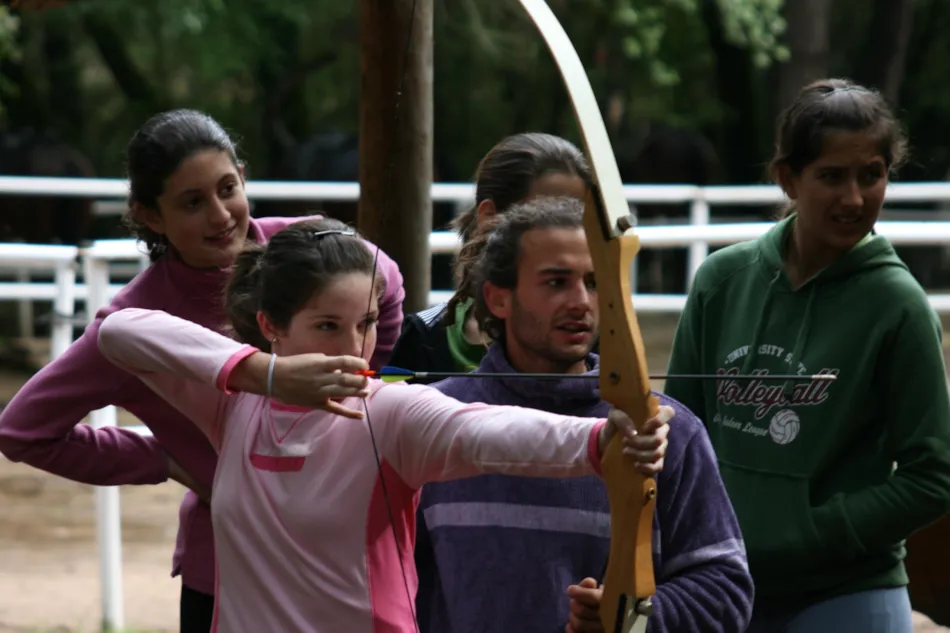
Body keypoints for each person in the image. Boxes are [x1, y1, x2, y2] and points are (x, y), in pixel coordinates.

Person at [94, 217, 675, 633]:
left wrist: (602, 440)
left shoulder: (390, 412)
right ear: (270, 324)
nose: (356, 349)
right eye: (328, 326)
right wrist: (266, 376)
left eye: (367, 323)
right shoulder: (232, 401)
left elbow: (485, 431)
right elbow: (119, 331)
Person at [0, 109, 406, 632]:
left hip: (348, 549)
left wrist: (360, 379)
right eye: (193, 203)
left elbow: (387, 281)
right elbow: (21, 431)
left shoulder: (305, 250)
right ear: (150, 216)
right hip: (229, 567)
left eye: (227, 188)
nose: (220, 216)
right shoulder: (131, 319)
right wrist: (162, 457)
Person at [664, 78, 950, 632]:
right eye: (832, 177)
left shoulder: (898, 305)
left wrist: (814, 532)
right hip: (723, 584)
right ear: (787, 178)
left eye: (873, 174)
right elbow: (681, 434)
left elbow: (933, 476)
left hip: (847, 593)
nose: (855, 198)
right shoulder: (722, 280)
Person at [413, 196, 753, 633]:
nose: (581, 302)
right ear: (498, 298)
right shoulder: (431, 422)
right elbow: (384, 580)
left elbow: (725, 591)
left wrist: (629, 616)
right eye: (556, 282)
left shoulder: (665, 428)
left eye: (595, 283)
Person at [389, 132, 591, 381]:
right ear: (490, 218)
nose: (568, 231)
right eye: (546, 215)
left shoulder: (592, 334)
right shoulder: (425, 337)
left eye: (577, 215)